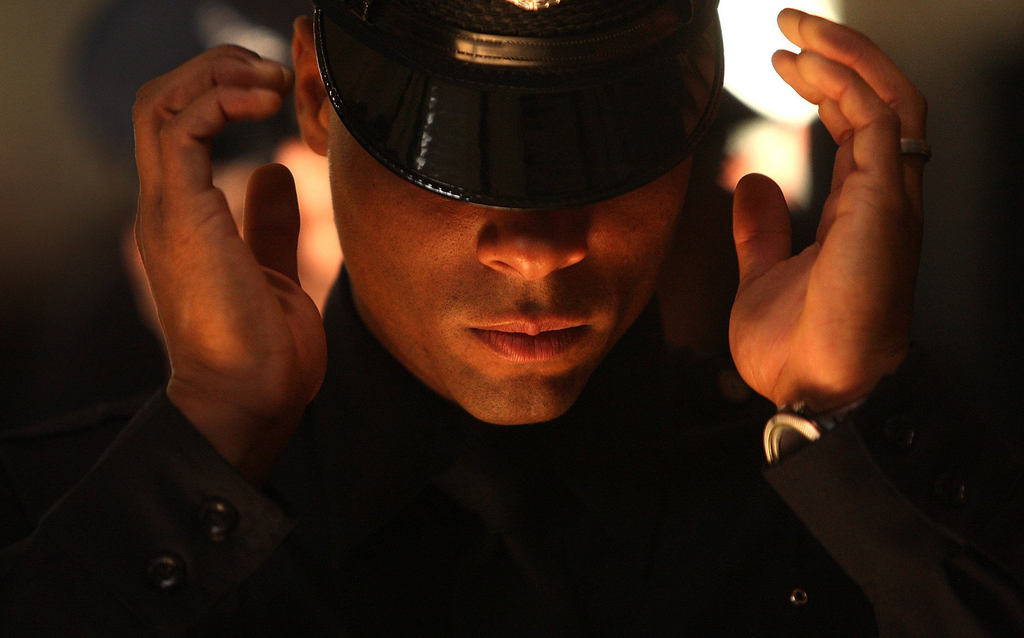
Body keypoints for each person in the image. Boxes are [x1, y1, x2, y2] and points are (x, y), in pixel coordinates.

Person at [2, 0, 1022, 635]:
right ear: (318, 95)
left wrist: (851, 414)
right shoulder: (59, 524)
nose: (536, 244)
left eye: (603, 150)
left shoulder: (855, 521)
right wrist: (210, 436)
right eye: (450, 157)